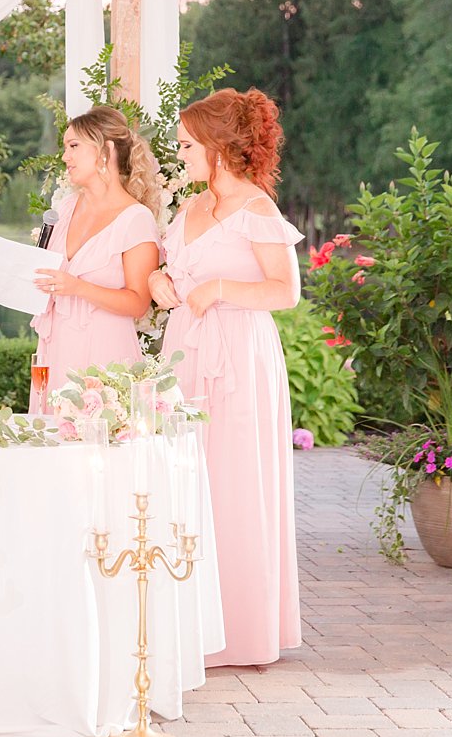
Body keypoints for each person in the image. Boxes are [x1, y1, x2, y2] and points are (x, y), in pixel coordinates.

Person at [149, 87, 304, 668]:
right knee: (184, 477)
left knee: (233, 480)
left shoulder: (259, 211)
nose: (182, 153)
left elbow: (285, 291)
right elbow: (171, 275)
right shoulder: (187, 209)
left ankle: (240, 632)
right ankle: (185, 622)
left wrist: (218, 291)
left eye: (189, 144)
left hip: (239, 356)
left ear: (218, 147)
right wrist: (160, 286)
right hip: (183, 352)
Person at [30, 107, 162, 387]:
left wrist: (78, 287)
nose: (66, 157)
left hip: (105, 354)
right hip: (55, 347)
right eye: (65, 148)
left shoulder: (136, 219)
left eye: (74, 146)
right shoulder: (64, 209)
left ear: (106, 150)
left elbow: (139, 303)